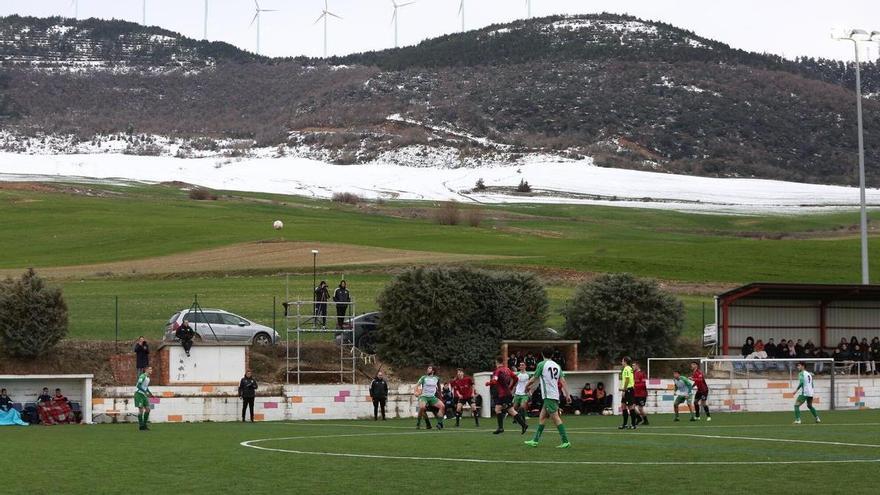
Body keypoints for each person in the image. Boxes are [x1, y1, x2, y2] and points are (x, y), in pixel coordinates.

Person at [523, 347, 571, 449]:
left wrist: (526, 386)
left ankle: (565, 441)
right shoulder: (557, 366)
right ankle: (535, 440)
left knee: (556, 418)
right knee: (542, 417)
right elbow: (563, 381)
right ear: (552, 355)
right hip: (553, 395)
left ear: (542, 354)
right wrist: (567, 395)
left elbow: (534, 378)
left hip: (549, 395)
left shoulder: (542, 364)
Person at [486, 357, 528, 435]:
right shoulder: (507, 370)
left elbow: (494, 381)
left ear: (496, 362)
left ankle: (503, 427)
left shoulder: (498, 371)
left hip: (503, 394)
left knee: (504, 410)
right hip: (507, 393)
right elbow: (515, 378)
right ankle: (503, 427)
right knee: (504, 409)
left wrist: (488, 383)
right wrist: (510, 387)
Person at [415, 365, 445, 430]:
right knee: (422, 407)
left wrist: (440, 398)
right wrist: (416, 392)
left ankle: (439, 424)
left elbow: (439, 389)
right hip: (424, 397)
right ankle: (418, 423)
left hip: (432, 397)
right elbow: (417, 385)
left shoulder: (437, 378)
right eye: (428, 368)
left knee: (442, 406)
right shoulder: (423, 377)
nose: (428, 369)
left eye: (429, 368)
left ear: (433, 370)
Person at [618, 356, 637, 430]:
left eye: (622, 361)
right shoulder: (629, 368)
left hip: (628, 390)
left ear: (625, 362)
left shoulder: (626, 369)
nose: (621, 362)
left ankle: (633, 424)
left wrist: (624, 390)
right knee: (623, 406)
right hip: (628, 389)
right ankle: (625, 424)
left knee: (630, 407)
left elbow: (627, 379)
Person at [135, 366, 154, 431]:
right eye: (150, 369)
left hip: (144, 395)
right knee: (141, 410)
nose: (151, 370)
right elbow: (138, 385)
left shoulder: (148, 378)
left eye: (151, 369)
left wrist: (150, 393)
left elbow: (145, 387)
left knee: (148, 409)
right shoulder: (142, 376)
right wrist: (144, 391)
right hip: (139, 394)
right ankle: (141, 426)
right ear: (146, 370)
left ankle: (145, 425)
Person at [632, 361, 649, 425]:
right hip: (635, 394)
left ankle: (645, 420)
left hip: (642, 394)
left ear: (637, 366)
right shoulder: (634, 373)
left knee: (640, 408)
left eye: (633, 365)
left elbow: (643, 384)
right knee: (632, 407)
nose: (632, 367)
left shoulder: (642, 373)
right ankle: (639, 418)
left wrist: (634, 385)